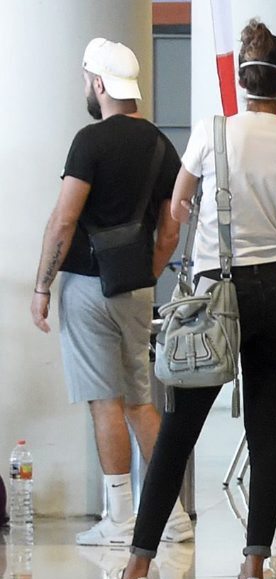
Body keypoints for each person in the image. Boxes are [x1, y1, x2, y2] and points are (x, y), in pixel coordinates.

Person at [90, 21, 276, 579]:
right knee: (265, 431)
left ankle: (137, 573)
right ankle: (253, 577)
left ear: (239, 81)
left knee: (179, 431)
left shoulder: (211, 133)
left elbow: (178, 203)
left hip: (217, 295)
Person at [31, 39, 188, 549]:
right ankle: (175, 516)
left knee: (105, 402)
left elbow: (64, 219)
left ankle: (120, 517)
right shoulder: (163, 145)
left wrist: (42, 286)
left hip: (89, 285)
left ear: (98, 83)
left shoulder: (90, 141)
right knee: (141, 401)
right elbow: (171, 230)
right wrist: (147, 271)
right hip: (137, 287)